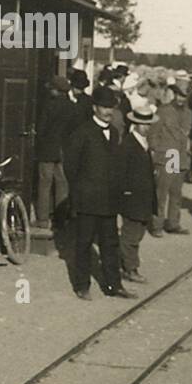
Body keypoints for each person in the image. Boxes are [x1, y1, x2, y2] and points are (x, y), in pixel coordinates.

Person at [63, 85, 135, 300]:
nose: (108, 111)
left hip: (109, 201)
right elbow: (71, 167)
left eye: (111, 107)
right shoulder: (82, 133)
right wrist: (81, 191)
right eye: (104, 107)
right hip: (87, 200)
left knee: (110, 245)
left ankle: (114, 286)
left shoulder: (114, 132)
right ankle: (82, 286)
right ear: (95, 108)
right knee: (84, 244)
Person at [117, 99, 159, 285]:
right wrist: (125, 196)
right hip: (133, 198)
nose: (147, 128)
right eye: (143, 124)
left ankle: (127, 265)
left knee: (137, 234)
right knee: (130, 235)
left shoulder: (143, 142)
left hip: (143, 198)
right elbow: (121, 173)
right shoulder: (128, 144)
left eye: (149, 124)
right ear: (135, 124)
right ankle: (129, 268)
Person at [149, 82, 192, 235]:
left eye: (185, 96)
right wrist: (156, 151)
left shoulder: (188, 113)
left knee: (176, 194)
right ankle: (157, 225)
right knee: (161, 194)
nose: (181, 99)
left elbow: (187, 136)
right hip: (167, 156)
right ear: (174, 94)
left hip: (180, 158)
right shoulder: (164, 110)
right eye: (179, 95)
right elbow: (153, 133)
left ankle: (173, 223)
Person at [34, 75, 72, 231]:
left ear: (56, 90)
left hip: (47, 149)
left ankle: (43, 220)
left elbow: (42, 128)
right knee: (62, 184)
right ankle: (60, 219)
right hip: (63, 150)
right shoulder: (71, 106)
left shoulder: (49, 105)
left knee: (45, 184)